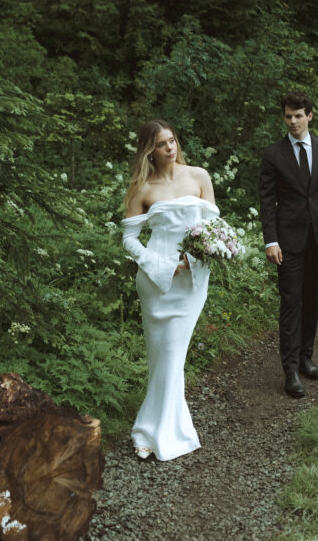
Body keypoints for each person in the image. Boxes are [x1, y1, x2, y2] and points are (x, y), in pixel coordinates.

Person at [121, 120, 216, 460]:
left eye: (172, 140)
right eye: (162, 144)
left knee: (174, 354)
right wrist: (160, 264)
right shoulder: (142, 188)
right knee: (162, 356)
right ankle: (158, 431)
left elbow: (213, 227)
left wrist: (200, 255)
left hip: (191, 280)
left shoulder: (199, 176)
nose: (170, 148)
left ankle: (149, 431)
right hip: (156, 279)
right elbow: (129, 239)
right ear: (150, 150)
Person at [259, 93, 318, 398]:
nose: (293, 121)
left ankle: (306, 357)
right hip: (287, 242)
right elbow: (267, 202)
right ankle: (290, 370)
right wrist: (270, 240)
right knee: (290, 302)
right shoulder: (273, 154)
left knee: (313, 300)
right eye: (288, 116)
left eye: (298, 115)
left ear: (310, 116)